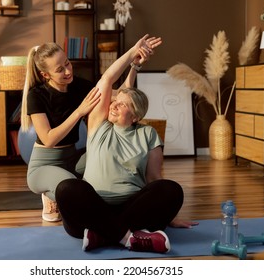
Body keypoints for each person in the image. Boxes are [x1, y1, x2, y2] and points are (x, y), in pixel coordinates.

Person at [55, 34, 198, 254]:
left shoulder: (148, 134)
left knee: (172, 190)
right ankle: (129, 238)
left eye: (122, 105)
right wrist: (133, 55)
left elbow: (153, 179)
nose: (114, 105)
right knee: (66, 189)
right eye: (114, 101)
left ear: (135, 117)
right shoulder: (99, 125)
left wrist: (172, 214)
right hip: (93, 207)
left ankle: (102, 234)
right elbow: (107, 81)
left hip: (131, 207)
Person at [20, 42, 100, 222]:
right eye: (60, 69)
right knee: (75, 188)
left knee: (105, 157)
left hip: (72, 159)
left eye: (67, 63)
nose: (68, 71)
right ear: (45, 74)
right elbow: (48, 139)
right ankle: (50, 192)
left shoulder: (79, 85)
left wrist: (134, 64)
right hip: (43, 165)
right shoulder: (37, 95)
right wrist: (79, 111)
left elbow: (111, 90)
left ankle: (53, 192)